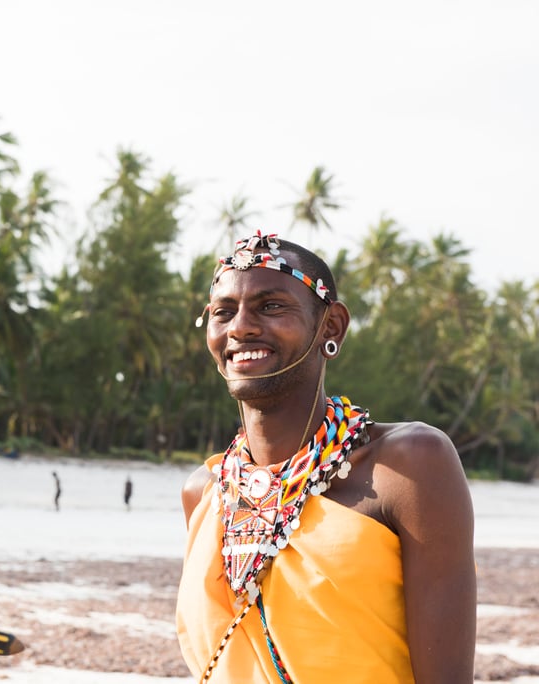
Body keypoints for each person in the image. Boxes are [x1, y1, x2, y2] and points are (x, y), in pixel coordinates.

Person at [176, 232, 476, 683]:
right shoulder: (205, 492)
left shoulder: (407, 466)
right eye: (223, 312)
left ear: (331, 326)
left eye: (271, 306)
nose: (240, 327)